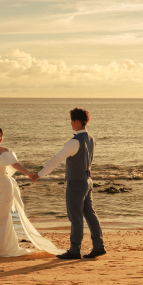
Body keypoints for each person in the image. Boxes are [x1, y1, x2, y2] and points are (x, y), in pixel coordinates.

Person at [0, 127, 64, 257]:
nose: (0, 138)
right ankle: (4, 247)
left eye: (1, 136)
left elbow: (16, 165)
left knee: (1, 218)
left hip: (5, 187)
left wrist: (30, 175)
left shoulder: (5, 151)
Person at [32, 108, 106, 260]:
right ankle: (98, 246)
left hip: (76, 183)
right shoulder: (91, 138)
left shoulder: (74, 141)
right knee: (90, 214)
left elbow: (56, 159)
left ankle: (74, 250)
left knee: (76, 217)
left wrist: (39, 174)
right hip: (87, 180)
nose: (71, 124)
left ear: (77, 121)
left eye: (72, 121)